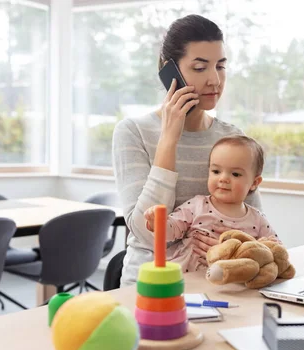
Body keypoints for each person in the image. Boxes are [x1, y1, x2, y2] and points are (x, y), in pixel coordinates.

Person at [112, 14, 262, 286]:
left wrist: (226, 244)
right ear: (170, 72)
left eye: (221, 66)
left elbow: (253, 227)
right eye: (200, 67)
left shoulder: (232, 138)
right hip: (152, 288)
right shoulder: (132, 132)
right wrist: (169, 138)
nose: (215, 80)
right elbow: (147, 236)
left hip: (219, 284)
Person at [144, 135, 279, 272]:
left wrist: (252, 250)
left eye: (235, 174)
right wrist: (157, 222)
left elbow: (276, 251)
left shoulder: (257, 219)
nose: (223, 178)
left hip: (231, 284)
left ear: (254, 183)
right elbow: (171, 231)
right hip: (188, 278)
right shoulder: (197, 205)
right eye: (216, 171)